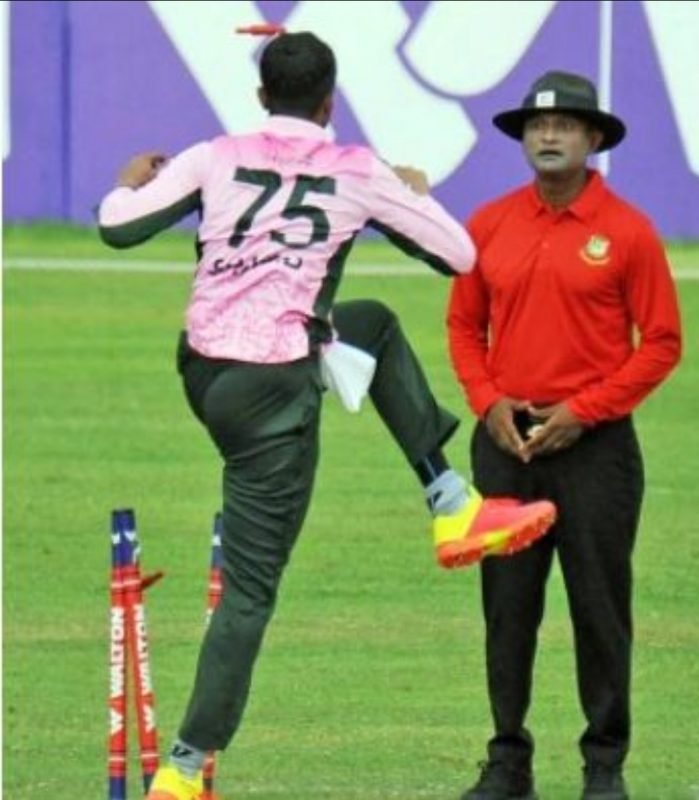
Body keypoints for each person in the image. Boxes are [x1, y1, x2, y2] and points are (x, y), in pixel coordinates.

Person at [98, 32, 556, 800]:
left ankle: (449, 500)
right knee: (249, 594)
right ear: (329, 101)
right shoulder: (355, 169)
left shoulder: (215, 155)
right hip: (274, 392)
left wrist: (124, 182)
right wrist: (410, 194)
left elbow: (119, 225)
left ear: (260, 97)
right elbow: (459, 255)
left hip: (206, 373)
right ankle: (181, 770)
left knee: (368, 323)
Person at [447, 70, 682, 800]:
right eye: (536, 125)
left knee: (599, 608)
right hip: (505, 443)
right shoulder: (489, 223)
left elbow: (661, 342)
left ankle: (603, 765)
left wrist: (584, 410)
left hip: (594, 449)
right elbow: (463, 325)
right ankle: (507, 760)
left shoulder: (628, 231)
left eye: (565, 125)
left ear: (592, 139)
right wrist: (487, 401)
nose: (548, 136)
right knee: (506, 609)